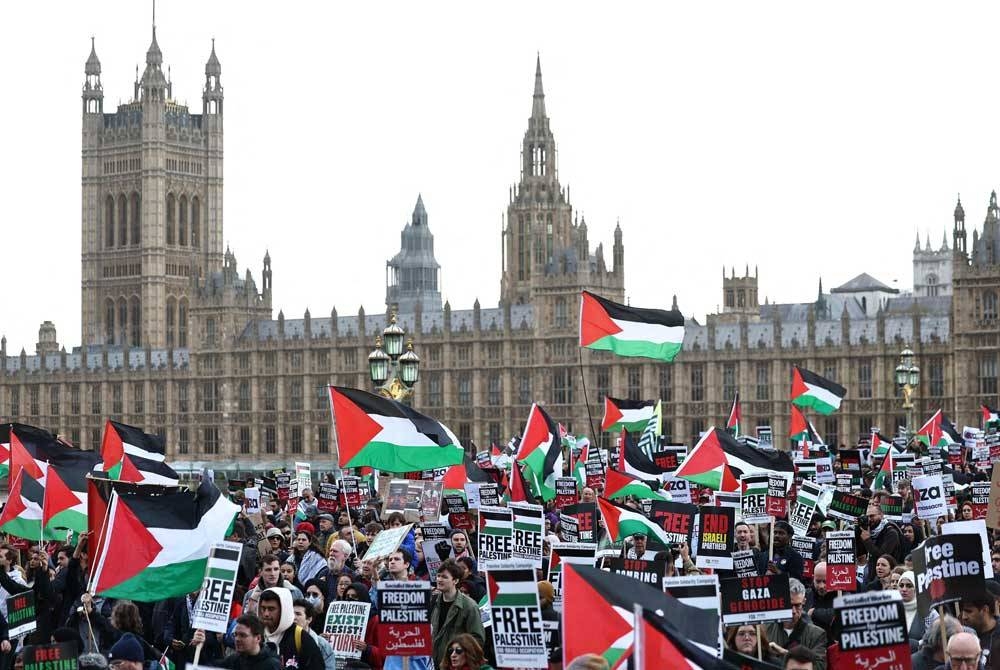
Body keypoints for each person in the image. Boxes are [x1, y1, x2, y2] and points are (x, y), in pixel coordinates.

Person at [764, 578, 827, 670]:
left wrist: (786, 654)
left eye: (797, 605)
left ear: (804, 602)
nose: (793, 611)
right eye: (788, 605)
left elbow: (819, 667)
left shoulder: (817, 634)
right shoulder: (764, 629)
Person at [430, 560, 485, 665]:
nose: (439, 580)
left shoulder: (469, 606)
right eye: (438, 576)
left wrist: (460, 656)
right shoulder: (433, 601)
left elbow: (477, 639)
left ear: (455, 581)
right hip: (433, 663)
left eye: (444, 577)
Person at [258, 587, 325, 670]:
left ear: (284, 610)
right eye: (263, 608)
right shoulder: (255, 635)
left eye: (271, 609)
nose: (266, 614)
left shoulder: (301, 638)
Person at [202, 614, 281, 670]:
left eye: (243, 635)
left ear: (258, 638)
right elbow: (208, 666)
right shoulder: (235, 659)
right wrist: (200, 646)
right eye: (235, 635)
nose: (237, 639)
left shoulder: (272, 665)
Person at [291, 599, 336, 670]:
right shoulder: (282, 639)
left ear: (309, 619)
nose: (293, 617)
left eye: (298, 614)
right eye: (291, 613)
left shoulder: (322, 645)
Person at [959, 593, 1000, 667]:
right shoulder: (963, 636)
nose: (964, 617)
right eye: (962, 612)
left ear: (984, 609)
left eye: (969, 611)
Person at [898, 570, 937, 645]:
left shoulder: (928, 611)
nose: (904, 589)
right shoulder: (892, 609)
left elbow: (936, 636)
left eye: (909, 586)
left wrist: (917, 644)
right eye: (901, 585)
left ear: (916, 588)